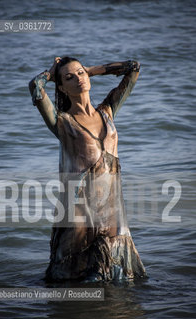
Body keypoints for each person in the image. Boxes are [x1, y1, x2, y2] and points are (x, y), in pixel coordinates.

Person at [29, 56, 146, 282]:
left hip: (111, 209)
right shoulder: (62, 122)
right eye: (69, 78)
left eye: (80, 73)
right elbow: (35, 86)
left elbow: (133, 68)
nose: (78, 79)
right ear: (62, 87)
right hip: (79, 212)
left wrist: (90, 71)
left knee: (115, 279)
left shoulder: (107, 111)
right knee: (72, 277)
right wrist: (51, 73)